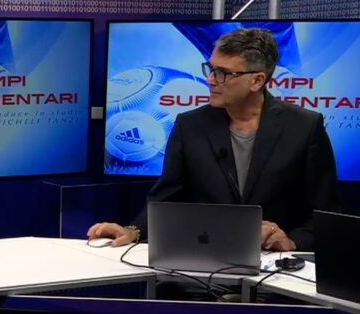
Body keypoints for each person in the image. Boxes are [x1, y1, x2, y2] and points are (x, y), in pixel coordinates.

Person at [88, 27, 339, 252]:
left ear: (257, 80)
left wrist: (292, 242)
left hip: (275, 266)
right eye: (211, 69)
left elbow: (325, 213)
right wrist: (134, 231)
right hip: (204, 257)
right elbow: (165, 198)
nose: (210, 80)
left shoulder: (304, 127)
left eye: (223, 73)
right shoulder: (190, 125)